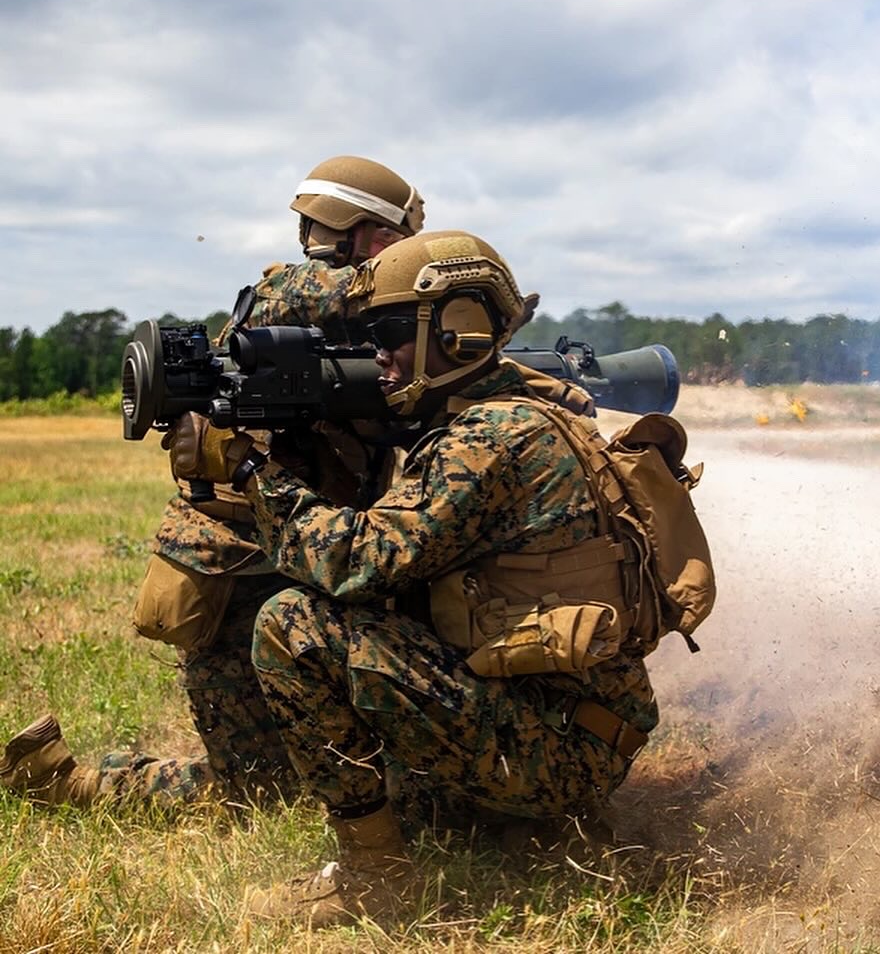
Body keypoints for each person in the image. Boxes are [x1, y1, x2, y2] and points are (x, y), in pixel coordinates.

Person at [165, 229, 661, 926]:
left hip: (560, 746)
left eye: (393, 332)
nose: (377, 354)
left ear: (458, 333)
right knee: (380, 763)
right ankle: (510, 819)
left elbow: (355, 561)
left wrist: (249, 471)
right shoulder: (512, 410)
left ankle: (377, 879)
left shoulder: (487, 441)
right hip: (575, 724)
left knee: (294, 625)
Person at [0, 156, 426, 808]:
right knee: (260, 794)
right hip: (244, 579)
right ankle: (70, 782)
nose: (409, 260)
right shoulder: (304, 289)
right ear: (361, 232)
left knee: (316, 767)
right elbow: (397, 295)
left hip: (277, 560)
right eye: (401, 243)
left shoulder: (328, 311)